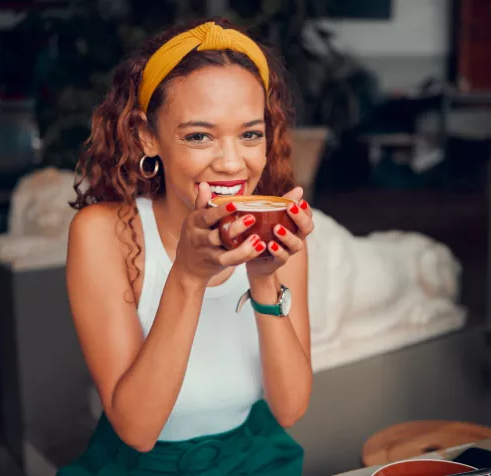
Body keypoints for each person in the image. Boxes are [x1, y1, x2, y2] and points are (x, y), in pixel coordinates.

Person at [60, 17, 314, 476]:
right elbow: (137, 429)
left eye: (250, 134)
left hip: (255, 457)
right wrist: (189, 275)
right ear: (147, 136)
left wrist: (263, 278)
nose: (232, 162)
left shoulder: (279, 236)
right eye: (199, 135)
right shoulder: (101, 234)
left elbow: (290, 409)